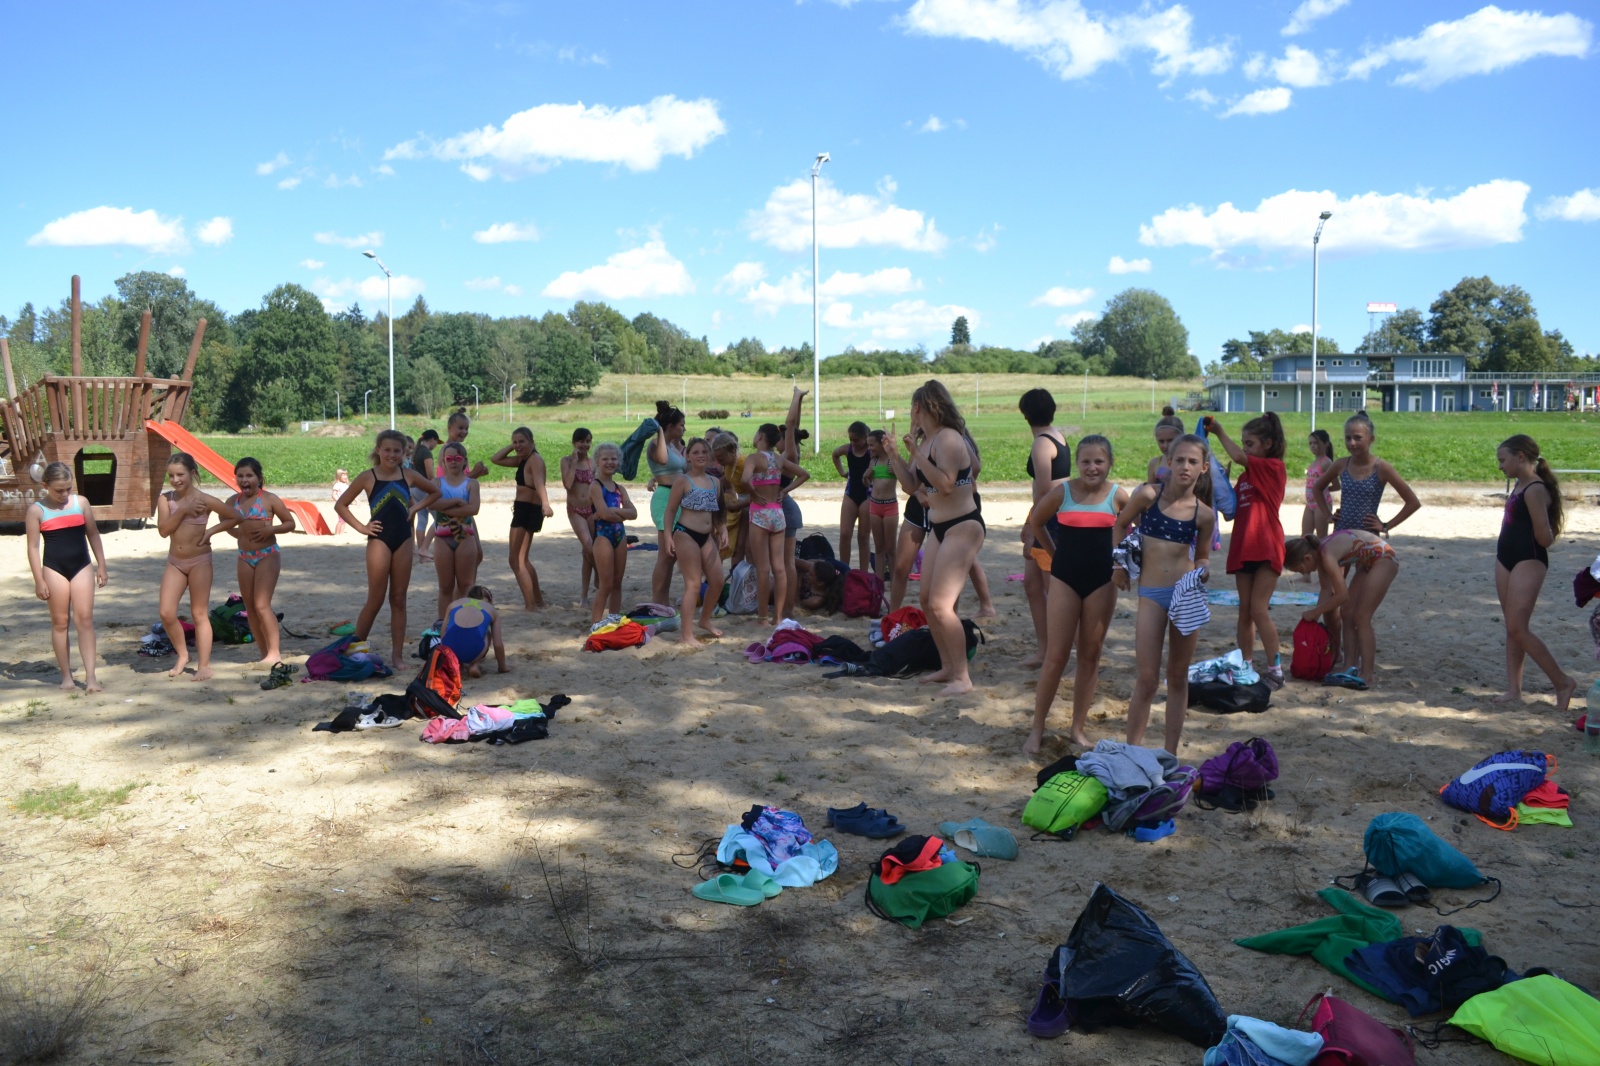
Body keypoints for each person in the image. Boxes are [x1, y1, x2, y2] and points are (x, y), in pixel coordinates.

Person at [1022, 436, 1127, 754]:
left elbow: (1134, 530)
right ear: (1077, 463)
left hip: (1102, 582)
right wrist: (1054, 555)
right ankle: (1037, 729)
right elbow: (1037, 522)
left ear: (1109, 463)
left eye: (1099, 462)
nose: (1092, 467)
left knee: (1090, 655)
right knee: (1056, 656)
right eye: (1086, 461)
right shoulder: (1063, 492)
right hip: (1064, 579)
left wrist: (1122, 563)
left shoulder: (1118, 496)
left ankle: (1077, 728)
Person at [1112, 434, 1215, 754]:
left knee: (1178, 676)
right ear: (1169, 462)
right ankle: (1132, 751)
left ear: (1203, 468)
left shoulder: (1204, 514)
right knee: (1147, 679)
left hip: (1185, 595)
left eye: (1193, 462)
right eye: (1179, 460)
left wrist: (1204, 567)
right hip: (1151, 594)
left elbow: (1202, 555)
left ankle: (1171, 753)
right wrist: (1118, 565)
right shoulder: (1148, 495)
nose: (1185, 466)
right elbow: (1120, 524)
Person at [906, 380, 986, 696]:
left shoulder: (949, 438)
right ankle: (948, 667)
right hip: (939, 526)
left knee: (941, 605)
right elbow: (910, 485)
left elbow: (947, 484)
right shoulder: (927, 441)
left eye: (912, 408)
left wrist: (916, 453)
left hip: (963, 525)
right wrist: (897, 455)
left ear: (920, 407)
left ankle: (962, 678)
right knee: (927, 599)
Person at [335, 429, 439, 665]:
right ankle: (353, 650)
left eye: (397, 451)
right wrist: (362, 528)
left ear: (404, 452)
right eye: (387, 450)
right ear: (378, 450)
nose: (392, 455)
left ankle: (397, 656)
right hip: (379, 540)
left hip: (403, 540)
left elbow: (435, 491)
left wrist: (415, 508)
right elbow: (341, 505)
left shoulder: (408, 474)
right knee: (375, 599)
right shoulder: (368, 477)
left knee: (399, 599)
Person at [1494, 435, 1577, 712]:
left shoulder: (1535, 489)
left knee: (1519, 627)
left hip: (1528, 559)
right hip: (1505, 559)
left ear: (1520, 457)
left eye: (1503, 460)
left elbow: (1544, 537)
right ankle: (1514, 689)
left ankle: (1562, 682)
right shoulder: (1520, 485)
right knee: (1512, 627)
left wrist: (1545, 531)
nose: (1500, 466)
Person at [1206, 413, 1288, 687]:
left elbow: (1240, 458)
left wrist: (1218, 431)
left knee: (1258, 608)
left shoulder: (1273, 467)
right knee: (1245, 610)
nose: (1244, 449)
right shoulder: (1245, 478)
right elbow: (1230, 511)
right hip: (1244, 547)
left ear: (1268, 443)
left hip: (1266, 545)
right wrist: (1222, 484)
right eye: (1243, 443)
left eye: (1249, 443)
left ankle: (1276, 670)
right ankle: (1246, 665)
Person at [25, 462, 108, 692]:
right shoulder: (37, 511)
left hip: (82, 565)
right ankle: (66, 676)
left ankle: (91, 678)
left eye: (68, 489)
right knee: (61, 622)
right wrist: (39, 580)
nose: (64, 494)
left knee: (85, 619)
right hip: (54, 568)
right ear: (45, 485)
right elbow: (32, 547)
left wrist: (101, 565)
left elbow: (93, 534)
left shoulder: (81, 503)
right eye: (59, 490)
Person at [1284, 529, 1399, 691]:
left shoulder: (1326, 555)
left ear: (1307, 558)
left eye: (1302, 570)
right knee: (1346, 613)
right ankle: (1349, 665)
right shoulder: (1318, 554)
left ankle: (1367, 674)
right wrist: (1313, 621)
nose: (1305, 573)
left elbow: (1342, 595)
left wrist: (1314, 613)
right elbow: (1326, 590)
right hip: (1368, 562)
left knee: (1362, 616)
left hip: (1385, 558)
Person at [157, 452, 237, 682]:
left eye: (180, 474)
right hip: (176, 562)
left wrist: (211, 531)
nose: (175, 480)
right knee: (166, 612)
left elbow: (235, 517)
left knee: (198, 613)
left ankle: (204, 665)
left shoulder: (205, 499)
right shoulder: (166, 500)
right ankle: (183, 655)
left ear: (192, 473)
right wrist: (183, 510)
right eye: (171, 476)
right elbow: (163, 531)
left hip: (200, 561)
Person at [216, 457, 297, 677]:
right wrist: (237, 534)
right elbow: (222, 518)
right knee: (250, 608)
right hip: (244, 556)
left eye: (249, 475)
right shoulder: (232, 501)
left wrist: (271, 530)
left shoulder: (269, 499)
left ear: (259, 478)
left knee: (262, 605)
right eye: (240, 476)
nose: (245, 480)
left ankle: (275, 653)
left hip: (267, 555)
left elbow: (290, 523)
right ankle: (264, 654)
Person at [1020, 388, 1072, 668]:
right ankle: (1045, 650)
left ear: (1025, 414)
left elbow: (1043, 491)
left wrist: (1031, 527)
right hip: (1049, 515)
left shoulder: (1042, 443)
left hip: (1050, 520)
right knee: (1032, 585)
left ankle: (1061, 654)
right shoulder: (1056, 435)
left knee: (1056, 591)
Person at [1312, 410, 1421, 540]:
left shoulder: (1381, 468)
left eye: (1358, 438)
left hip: (1368, 537)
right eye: (1348, 438)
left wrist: (1386, 526)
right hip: (1342, 534)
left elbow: (1413, 502)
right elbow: (1317, 488)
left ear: (1371, 439)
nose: (1352, 443)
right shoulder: (1341, 464)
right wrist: (1328, 515)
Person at [742, 421, 810, 628]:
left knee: (763, 569)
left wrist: (753, 494)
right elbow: (804, 474)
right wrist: (784, 491)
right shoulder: (779, 460)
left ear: (760, 436)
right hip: (778, 513)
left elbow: (745, 480)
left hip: (760, 513)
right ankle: (778, 617)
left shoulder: (754, 458)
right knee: (779, 568)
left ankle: (763, 617)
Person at [662, 437, 727, 646]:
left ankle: (705, 620)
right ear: (688, 456)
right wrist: (668, 536)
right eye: (696, 452)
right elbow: (670, 511)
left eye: (704, 452)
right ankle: (686, 635)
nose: (701, 455)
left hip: (706, 536)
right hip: (685, 534)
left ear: (710, 456)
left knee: (717, 580)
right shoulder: (683, 481)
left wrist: (723, 530)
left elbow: (718, 512)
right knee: (693, 584)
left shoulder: (715, 482)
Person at [411, 441, 482, 625]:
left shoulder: (471, 484)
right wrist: (457, 502)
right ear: (443, 461)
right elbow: (431, 505)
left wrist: (445, 508)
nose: (453, 462)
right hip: (443, 539)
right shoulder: (437, 482)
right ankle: (442, 625)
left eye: (457, 458)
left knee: (466, 585)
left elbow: (473, 509)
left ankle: (467, 623)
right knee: (445, 586)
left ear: (465, 460)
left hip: (465, 538)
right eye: (449, 458)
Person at [492, 427, 554, 610]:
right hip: (526, 509)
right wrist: (513, 447)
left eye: (522, 442)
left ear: (531, 442)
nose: (518, 445)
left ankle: (530, 605)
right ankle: (537, 601)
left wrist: (546, 504)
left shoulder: (534, 459)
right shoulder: (523, 459)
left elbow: (539, 483)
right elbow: (496, 459)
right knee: (522, 559)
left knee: (515, 560)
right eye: (515, 442)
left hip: (527, 510)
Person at [589, 442, 639, 624]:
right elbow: (604, 514)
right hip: (603, 537)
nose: (610, 462)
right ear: (597, 462)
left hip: (620, 536)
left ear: (619, 461)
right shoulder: (595, 486)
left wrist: (614, 511)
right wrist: (620, 513)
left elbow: (634, 513)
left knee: (617, 583)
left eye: (613, 459)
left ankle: (614, 621)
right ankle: (595, 624)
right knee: (606, 584)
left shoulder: (620, 488)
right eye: (605, 459)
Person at [646, 400, 689, 604]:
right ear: (670, 426)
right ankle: (658, 601)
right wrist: (661, 432)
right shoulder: (656, 444)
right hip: (665, 497)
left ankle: (663, 600)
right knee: (665, 555)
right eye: (681, 425)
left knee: (672, 555)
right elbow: (662, 461)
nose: (684, 429)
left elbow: (683, 469)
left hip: (679, 498)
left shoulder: (673, 446)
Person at [777, 387, 809, 619]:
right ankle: (789, 603)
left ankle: (788, 607)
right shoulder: (788, 454)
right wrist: (798, 401)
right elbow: (794, 425)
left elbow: (790, 426)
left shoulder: (789, 455)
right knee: (784, 562)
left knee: (787, 562)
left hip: (786, 510)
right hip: (785, 509)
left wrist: (796, 397)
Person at [561, 428, 598, 607]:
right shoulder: (566, 461)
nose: (585, 445)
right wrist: (575, 463)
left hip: (591, 510)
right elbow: (567, 484)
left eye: (588, 441)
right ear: (574, 442)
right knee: (590, 547)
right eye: (581, 441)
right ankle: (600, 577)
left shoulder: (593, 463)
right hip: (575, 510)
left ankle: (584, 596)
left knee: (587, 553)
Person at [439, 585, 507, 679]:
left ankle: (459, 664)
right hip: (473, 651)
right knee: (487, 633)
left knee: (455, 631)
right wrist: (502, 667)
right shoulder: (491, 610)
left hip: (450, 650)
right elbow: (498, 644)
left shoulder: (453, 604)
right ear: (489, 600)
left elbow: (443, 634)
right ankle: (475, 665)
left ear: (468, 596)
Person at [832, 420, 873, 569]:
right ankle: (844, 570)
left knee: (863, 536)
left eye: (856, 440)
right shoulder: (848, 449)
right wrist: (842, 472)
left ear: (865, 438)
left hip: (867, 495)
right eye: (850, 439)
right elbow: (835, 454)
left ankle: (863, 573)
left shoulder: (871, 452)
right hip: (850, 494)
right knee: (844, 534)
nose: (853, 443)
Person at [864, 430, 899, 583]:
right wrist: (866, 476)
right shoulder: (873, 462)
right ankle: (879, 582)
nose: (869, 448)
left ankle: (895, 581)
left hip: (890, 506)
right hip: (874, 506)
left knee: (891, 549)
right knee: (879, 548)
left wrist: (897, 472)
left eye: (872, 445)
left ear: (882, 444)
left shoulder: (893, 461)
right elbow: (867, 483)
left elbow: (906, 479)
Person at [711, 432, 747, 564]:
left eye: (720, 458)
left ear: (732, 450)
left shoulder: (743, 464)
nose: (718, 462)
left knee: (741, 544)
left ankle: (737, 571)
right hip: (740, 504)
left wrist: (736, 506)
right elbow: (726, 479)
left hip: (750, 505)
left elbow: (759, 494)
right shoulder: (729, 464)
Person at [412, 429, 441, 560]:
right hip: (423, 489)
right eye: (436, 442)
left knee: (422, 519)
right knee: (440, 518)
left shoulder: (416, 450)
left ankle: (422, 554)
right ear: (432, 439)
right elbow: (430, 475)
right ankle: (425, 548)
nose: (436, 445)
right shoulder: (426, 452)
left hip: (413, 488)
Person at [1303, 430, 1333, 537]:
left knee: (1321, 537)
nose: (1312, 446)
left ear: (1326, 444)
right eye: (1310, 443)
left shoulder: (1327, 463)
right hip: (1310, 503)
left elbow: (1336, 485)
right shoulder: (1313, 463)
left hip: (1321, 504)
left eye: (1315, 443)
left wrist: (1322, 490)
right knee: (1305, 536)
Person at [1145, 407, 1185, 484]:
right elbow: (1150, 489)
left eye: (1170, 440)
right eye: (1161, 441)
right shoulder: (1155, 464)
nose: (1166, 446)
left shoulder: (1190, 462)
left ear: (1182, 438)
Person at [330, 468, 350, 534]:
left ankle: (341, 533)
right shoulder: (337, 485)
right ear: (339, 476)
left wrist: (356, 500)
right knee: (341, 520)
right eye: (343, 475)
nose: (345, 477)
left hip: (346, 505)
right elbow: (333, 495)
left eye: (346, 475)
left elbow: (350, 494)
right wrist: (339, 501)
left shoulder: (346, 485)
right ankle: (337, 534)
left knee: (344, 520)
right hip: (340, 505)